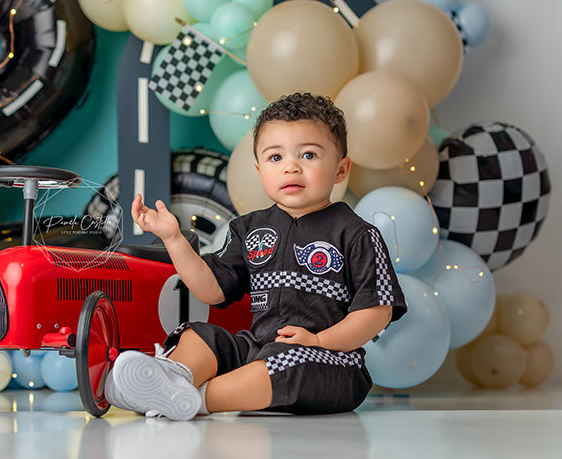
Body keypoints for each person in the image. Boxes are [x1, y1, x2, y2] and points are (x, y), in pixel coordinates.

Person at [105, 92, 407, 420]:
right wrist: (174, 238)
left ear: (340, 169)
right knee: (201, 334)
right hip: (258, 350)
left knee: (291, 360)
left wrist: (320, 340)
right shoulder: (248, 229)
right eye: (276, 158)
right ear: (259, 168)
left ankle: (195, 399)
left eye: (308, 154)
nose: (291, 166)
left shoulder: (358, 233)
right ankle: (173, 377)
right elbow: (211, 290)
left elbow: (376, 311)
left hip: (328, 361)